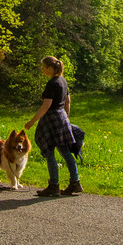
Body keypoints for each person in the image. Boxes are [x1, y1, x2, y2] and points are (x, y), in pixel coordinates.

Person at [24, 54, 82, 197]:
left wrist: (32, 121)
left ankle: (54, 186)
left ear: (50, 68)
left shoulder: (52, 83)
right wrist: (66, 118)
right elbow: (68, 101)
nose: (42, 69)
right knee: (65, 152)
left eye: (44, 67)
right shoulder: (62, 81)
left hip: (51, 119)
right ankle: (75, 182)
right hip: (61, 117)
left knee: (49, 152)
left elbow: (46, 105)